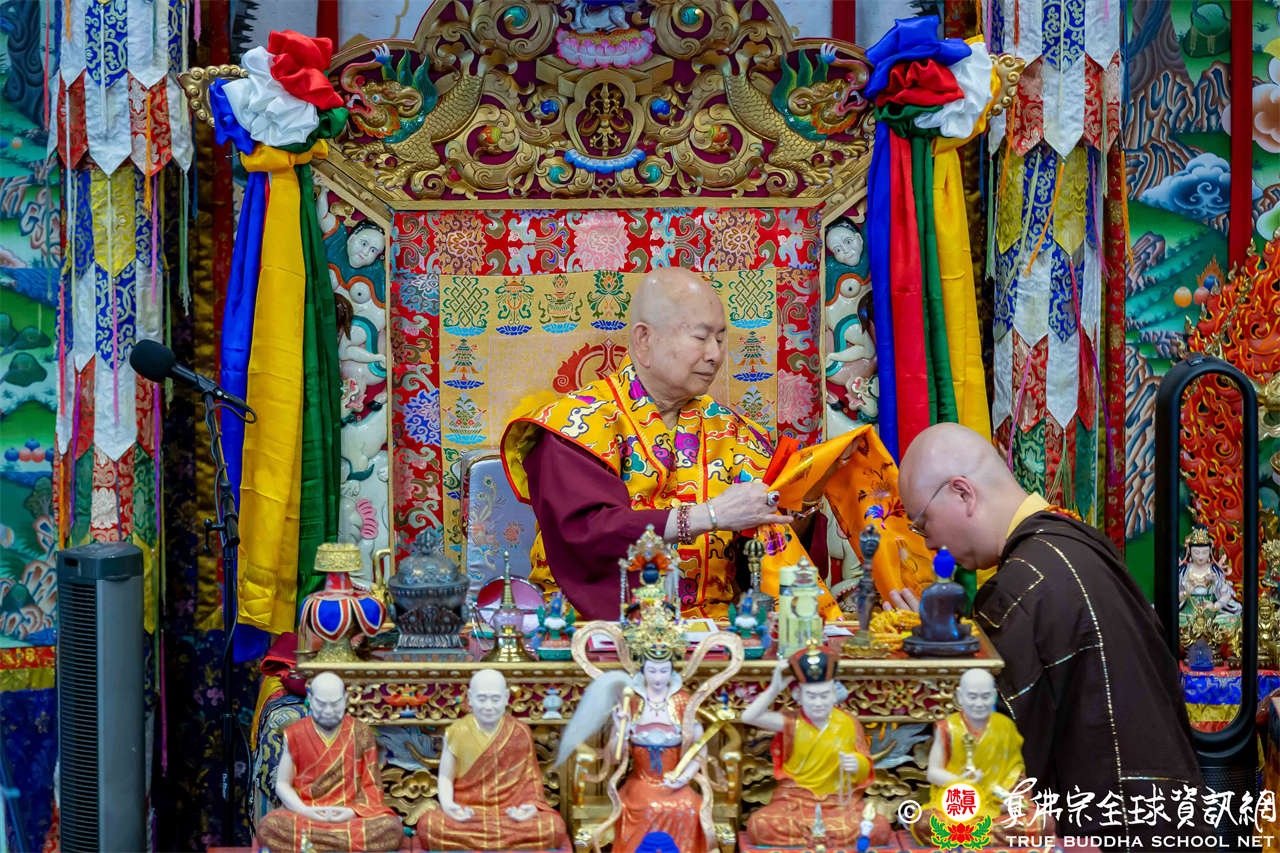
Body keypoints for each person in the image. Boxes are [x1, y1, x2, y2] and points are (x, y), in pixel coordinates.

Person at [898, 423, 1203, 841]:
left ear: (963, 493)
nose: (928, 543)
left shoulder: (1019, 587)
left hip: (1109, 834)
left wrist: (938, 659)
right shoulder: (1078, 544)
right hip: (1170, 816)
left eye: (922, 522)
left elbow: (992, 748)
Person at [502, 266, 836, 620]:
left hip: (715, 630)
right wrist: (709, 516)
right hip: (594, 631)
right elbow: (586, 535)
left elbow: (765, 557)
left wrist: (802, 501)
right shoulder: (574, 426)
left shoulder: (735, 433)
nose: (715, 354)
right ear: (644, 340)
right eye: (700, 337)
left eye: (721, 339)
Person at [740, 643, 892, 847]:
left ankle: (813, 840)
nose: (818, 703)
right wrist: (775, 687)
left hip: (838, 804)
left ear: (835, 695)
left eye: (824, 695)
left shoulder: (848, 723)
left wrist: (858, 764)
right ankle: (825, 841)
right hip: (796, 802)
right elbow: (749, 717)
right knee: (759, 824)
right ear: (799, 697)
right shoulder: (792, 722)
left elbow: (864, 766)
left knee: (879, 827)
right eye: (811, 696)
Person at [417, 669, 566, 850]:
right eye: (482, 699)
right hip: (469, 814)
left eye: (495, 699)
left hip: (510, 815)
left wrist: (530, 808)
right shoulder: (457, 731)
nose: (488, 706)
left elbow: (531, 782)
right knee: (428, 825)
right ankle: (508, 844)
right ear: (470, 698)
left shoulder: (520, 732)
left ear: (506, 698)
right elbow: (445, 777)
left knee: (555, 827)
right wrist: (449, 806)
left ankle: (481, 843)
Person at [256, 672, 403, 852]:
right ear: (310, 698)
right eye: (321, 704)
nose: (328, 711)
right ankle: (343, 845)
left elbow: (371, 786)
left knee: (390, 828)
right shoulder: (295, 733)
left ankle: (312, 845)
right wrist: (303, 810)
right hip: (308, 814)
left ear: (345, 699)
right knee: (269, 827)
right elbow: (282, 784)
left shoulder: (361, 732)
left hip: (348, 817)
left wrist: (351, 812)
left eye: (334, 704)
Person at [914, 669, 1050, 846]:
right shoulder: (948, 728)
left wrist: (1013, 798)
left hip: (996, 804)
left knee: (1042, 822)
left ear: (994, 696)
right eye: (972, 697)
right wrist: (960, 780)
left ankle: (966, 836)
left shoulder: (1005, 727)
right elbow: (933, 773)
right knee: (924, 822)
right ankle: (983, 834)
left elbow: (1015, 772)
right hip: (959, 804)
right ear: (960, 697)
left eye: (985, 697)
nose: (979, 703)